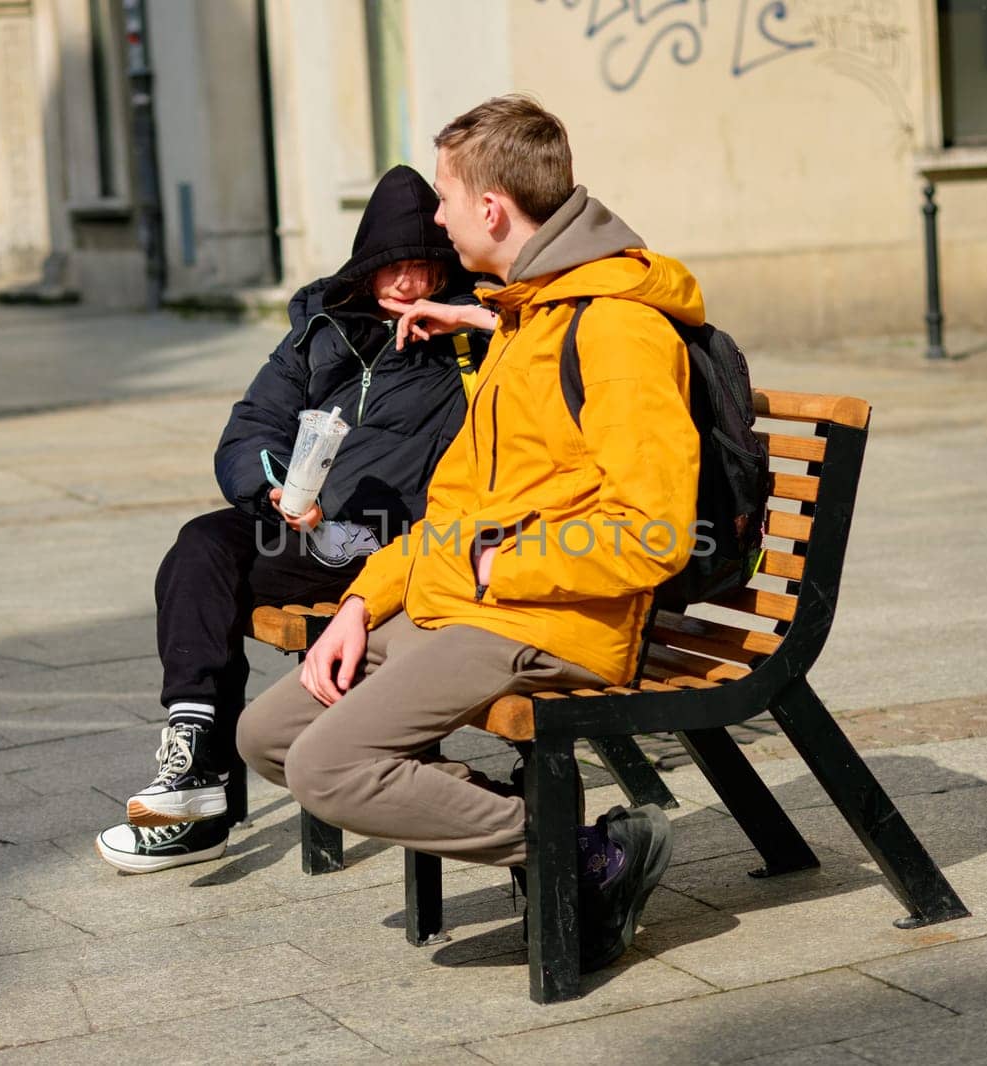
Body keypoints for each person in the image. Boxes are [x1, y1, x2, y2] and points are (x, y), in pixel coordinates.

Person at [235, 95, 702, 971]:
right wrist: (360, 605)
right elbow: (452, 511)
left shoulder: (618, 330)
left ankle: (589, 856)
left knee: (329, 768)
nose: (437, 215)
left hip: (550, 622)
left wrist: (504, 564)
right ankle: (573, 848)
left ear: (491, 208)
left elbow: (656, 534)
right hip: (470, 604)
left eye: (446, 197)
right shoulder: (525, 323)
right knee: (270, 736)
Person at [95, 165, 489, 873]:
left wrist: (471, 321)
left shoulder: (470, 337)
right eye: (391, 268)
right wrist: (276, 490)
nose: (407, 285)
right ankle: (196, 766)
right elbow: (249, 430)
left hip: (399, 548)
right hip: (311, 532)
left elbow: (538, 354)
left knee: (217, 570)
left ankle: (203, 789)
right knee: (203, 548)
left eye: (423, 267)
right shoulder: (320, 330)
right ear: (365, 266)